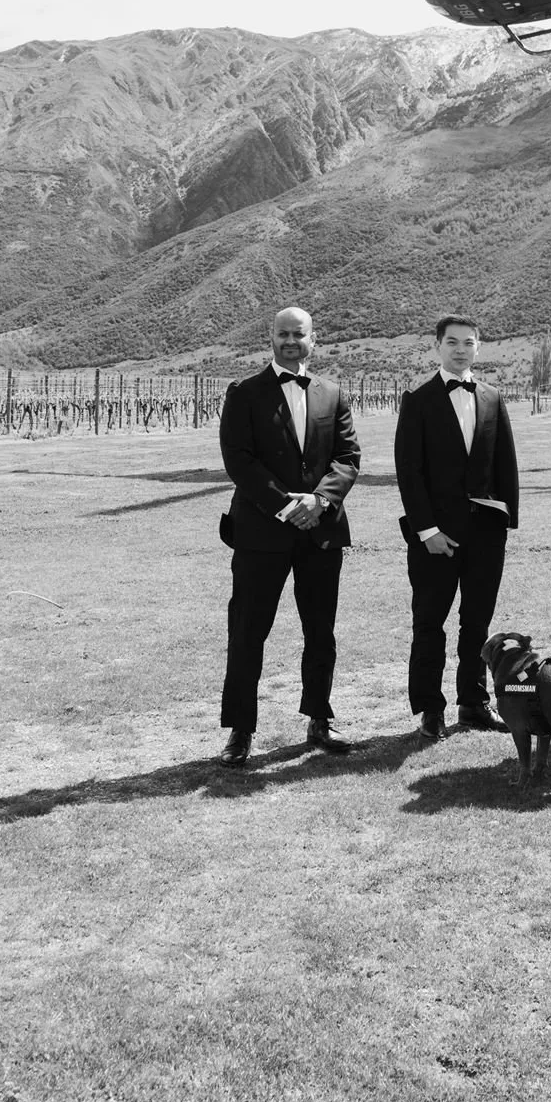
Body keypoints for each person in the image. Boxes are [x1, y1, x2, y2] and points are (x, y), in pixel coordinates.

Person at [217, 305, 361, 767]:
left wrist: (318, 501)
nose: (290, 341)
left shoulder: (333, 393)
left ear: (313, 340)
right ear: (271, 339)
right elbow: (240, 461)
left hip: (320, 533)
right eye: (283, 334)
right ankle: (240, 731)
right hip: (261, 533)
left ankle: (319, 719)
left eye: (299, 334)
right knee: (247, 631)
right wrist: (285, 505)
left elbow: (348, 458)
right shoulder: (244, 393)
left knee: (321, 632)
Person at [394, 315, 520, 741]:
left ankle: (473, 703)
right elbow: (409, 472)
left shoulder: (492, 397)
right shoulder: (418, 400)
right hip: (435, 538)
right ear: (437, 346)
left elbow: (506, 464)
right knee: (429, 623)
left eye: (469, 342)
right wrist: (426, 530)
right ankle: (430, 708)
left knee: (477, 623)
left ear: (478, 348)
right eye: (452, 342)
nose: (461, 349)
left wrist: (505, 523)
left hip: (485, 535)